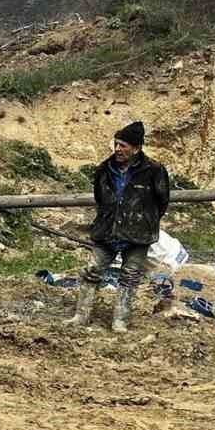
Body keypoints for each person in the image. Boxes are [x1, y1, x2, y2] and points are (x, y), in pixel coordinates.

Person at [71, 120, 171, 333]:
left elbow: (162, 202)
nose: (117, 149)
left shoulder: (154, 170)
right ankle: (81, 315)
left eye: (123, 145)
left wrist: (143, 220)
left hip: (138, 235)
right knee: (92, 271)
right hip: (107, 230)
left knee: (130, 276)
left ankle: (120, 321)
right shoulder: (104, 169)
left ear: (136, 148)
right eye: (116, 144)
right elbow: (100, 198)